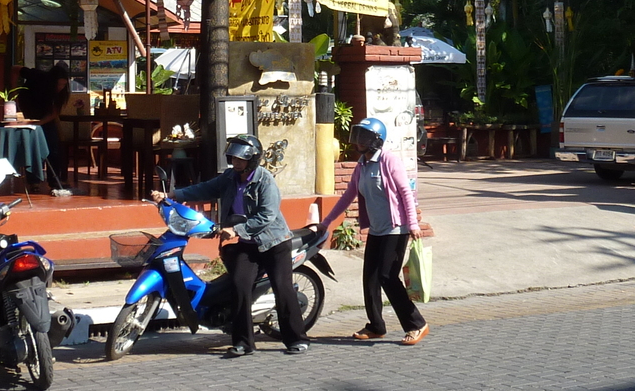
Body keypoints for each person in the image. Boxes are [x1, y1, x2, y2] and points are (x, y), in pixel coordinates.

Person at [151, 133, 307, 358]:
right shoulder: (229, 177)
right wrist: (172, 195)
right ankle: (244, 343)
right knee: (239, 285)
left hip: (273, 242)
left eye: (239, 160)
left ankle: (297, 339)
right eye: (233, 159)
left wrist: (236, 230)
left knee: (282, 288)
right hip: (247, 244)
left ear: (252, 160)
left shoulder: (265, 180)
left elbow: (267, 215)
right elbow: (204, 189)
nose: (235, 163)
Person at [320, 117, 429, 346]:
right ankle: (376, 326)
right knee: (370, 278)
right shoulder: (362, 164)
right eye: (357, 136)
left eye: (364, 137)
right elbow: (348, 195)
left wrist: (413, 225)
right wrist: (327, 221)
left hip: (396, 228)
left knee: (387, 277)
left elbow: (405, 194)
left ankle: (416, 324)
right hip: (377, 230)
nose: (358, 142)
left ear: (376, 140)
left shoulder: (389, 161)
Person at [33, 67, 73, 196]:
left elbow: (54, 112)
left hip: (46, 120)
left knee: (53, 149)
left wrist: (39, 123)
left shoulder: (61, 93)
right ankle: (34, 181)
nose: (61, 87)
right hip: (32, 114)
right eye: (58, 84)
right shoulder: (38, 79)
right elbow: (15, 69)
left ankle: (54, 180)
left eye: (64, 84)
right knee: (35, 150)